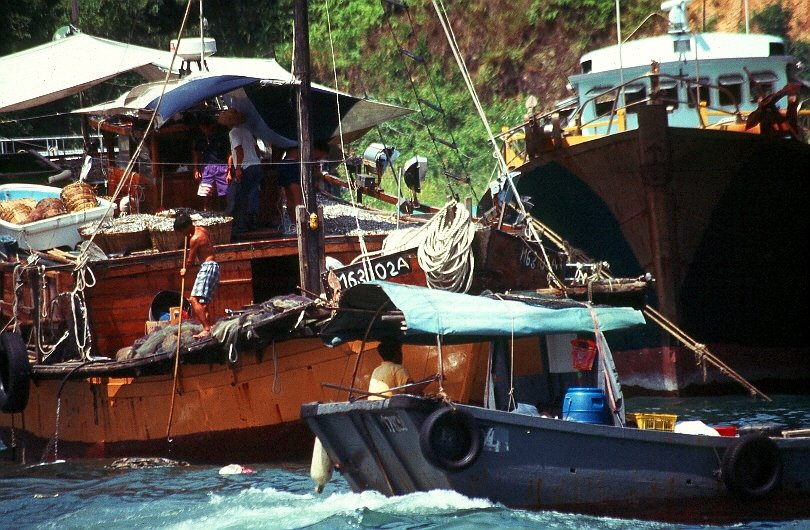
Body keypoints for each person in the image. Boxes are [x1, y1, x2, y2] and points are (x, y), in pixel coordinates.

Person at [217, 108, 263, 236]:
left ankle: (239, 226)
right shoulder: (247, 131)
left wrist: (237, 169)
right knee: (252, 195)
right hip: (256, 165)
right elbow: (256, 149)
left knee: (238, 197)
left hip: (246, 167)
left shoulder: (233, 133)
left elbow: (239, 151)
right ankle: (251, 222)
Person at [175, 212, 220, 339]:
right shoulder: (202, 229)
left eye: (181, 232)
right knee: (203, 303)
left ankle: (206, 328)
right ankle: (208, 328)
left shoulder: (194, 239)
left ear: (186, 228)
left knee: (193, 299)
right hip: (214, 266)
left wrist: (185, 270)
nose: (182, 235)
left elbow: (190, 260)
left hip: (207, 268)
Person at [276, 140, 330, 234]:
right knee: (297, 200)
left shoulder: (292, 143)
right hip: (293, 167)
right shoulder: (309, 148)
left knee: (290, 199)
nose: (320, 158)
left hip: (285, 164)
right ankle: (301, 225)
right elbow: (312, 162)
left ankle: (295, 224)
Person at [192, 115, 231, 212]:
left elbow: (229, 153)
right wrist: (196, 168)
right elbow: (196, 152)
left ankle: (225, 215)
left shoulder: (222, 135)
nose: (203, 129)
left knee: (224, 194)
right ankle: (206, 213)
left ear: (210, 126)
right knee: (206, 194)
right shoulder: (200, 138)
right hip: (206, 168)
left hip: (222, 167)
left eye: (205, 127)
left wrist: (229, 169)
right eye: (202, 127)